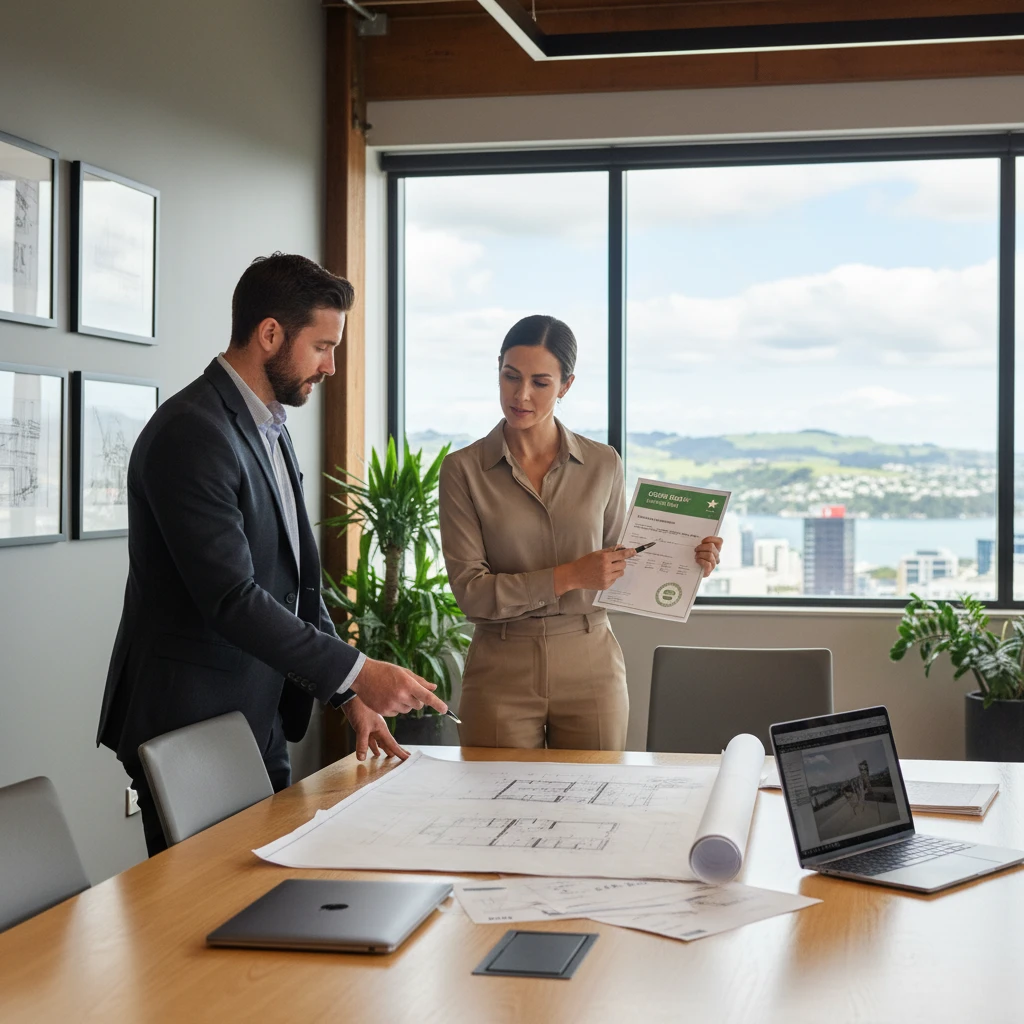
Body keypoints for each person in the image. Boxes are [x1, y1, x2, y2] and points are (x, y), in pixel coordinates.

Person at [96, 253, 447, 856]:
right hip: (189, 726)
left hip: (254, 715)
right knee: (200, 913)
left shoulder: (270, 424)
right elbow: (232, 598)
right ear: (269, 334)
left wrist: (348, 692)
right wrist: (360, 670)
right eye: (322, 346)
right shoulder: (192, 432)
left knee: (272, 885)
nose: (332, 366)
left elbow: (294, 586)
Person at [438, 314, 722, 751]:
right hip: (500, 667)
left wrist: (687, 560)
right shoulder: (462, 470)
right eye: (511, 376)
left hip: (591, 661)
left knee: (597, 808)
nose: (521, 395)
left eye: (540, 382)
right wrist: (569, 576)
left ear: (566, 385)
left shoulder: (604, 463)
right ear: (497, 370)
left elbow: (624, 566)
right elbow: (471, 593)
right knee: (496, 812)